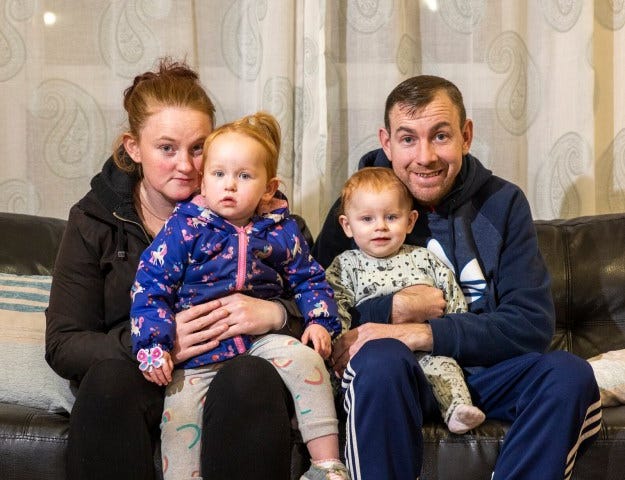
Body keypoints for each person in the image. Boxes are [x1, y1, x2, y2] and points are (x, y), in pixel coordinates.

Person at [313, 75, 602, 480]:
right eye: (408, 138)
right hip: (397, 378)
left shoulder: (504, 204)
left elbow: (531, 325)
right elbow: (318, 312)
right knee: (379, 360)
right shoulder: (360, 207)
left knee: (569, 373)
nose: (425, 156)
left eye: (441, 136)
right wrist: (392, 309)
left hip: (481, 376)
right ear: (386, 142)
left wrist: (424, 332)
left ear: (466, 136)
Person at [45, 58, 299, 480]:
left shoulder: (262, 215)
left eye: (198, 147)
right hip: (135, 380)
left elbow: (318, 300)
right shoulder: (94, 220)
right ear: (133, 147)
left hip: (231, 375)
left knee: (252, 376)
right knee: (107, 382)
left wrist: (278, 315)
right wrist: (158, 340)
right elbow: (64, 343)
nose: (186, 165)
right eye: (167, 148)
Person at [130, 111, 350, 480]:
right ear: (203, 182)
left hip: (262, 341)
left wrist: (319, 321)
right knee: (179, 418)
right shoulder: (185, 228)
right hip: (197, 355)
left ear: (269, 187)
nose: (229, 186)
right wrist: (154, 343)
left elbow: (309, 278)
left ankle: (327, 467)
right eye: (218, 174)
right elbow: (151, 286)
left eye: (244, 176)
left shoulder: (282, 230)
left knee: (308, 362)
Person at [325, 166, 485, 435]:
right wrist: (339, 340)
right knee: (328, 372)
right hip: (367, 356)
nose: (380, 227)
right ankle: (318, 415)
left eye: (391, 217)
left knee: (444, 367)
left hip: (424, 350)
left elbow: (452, 295)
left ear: (410, 221)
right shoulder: (344, 266)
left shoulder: (424, 258)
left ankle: (457, 409)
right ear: (347, 225)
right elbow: (334, 307)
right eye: (367, 219)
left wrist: (453, 322)